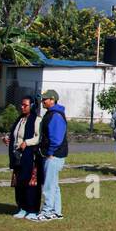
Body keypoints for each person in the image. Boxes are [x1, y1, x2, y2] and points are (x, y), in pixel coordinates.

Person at [5, 95, 42, 220]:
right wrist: (9, 139)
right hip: (18, 157)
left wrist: (27, 142)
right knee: (19, 183)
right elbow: (16, 135)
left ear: (31, 106)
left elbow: (39, 137)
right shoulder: (20, 120)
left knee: (30, 184)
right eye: (21, 105)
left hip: (30, 157)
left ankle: (32, 209)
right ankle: (22, 207)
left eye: (25, 105)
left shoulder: (36, 120)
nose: (22, 107)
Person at [35, 90, 68, 221]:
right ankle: (56, 211)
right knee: (53, 184)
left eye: (45, 99)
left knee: (49, 185)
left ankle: (47, 212)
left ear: (53, 100)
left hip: (54, 155)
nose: (42, 102)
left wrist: (49, 153)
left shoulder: (55, 115)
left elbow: (56, 138)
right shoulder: (52, 114)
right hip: (55, 154)